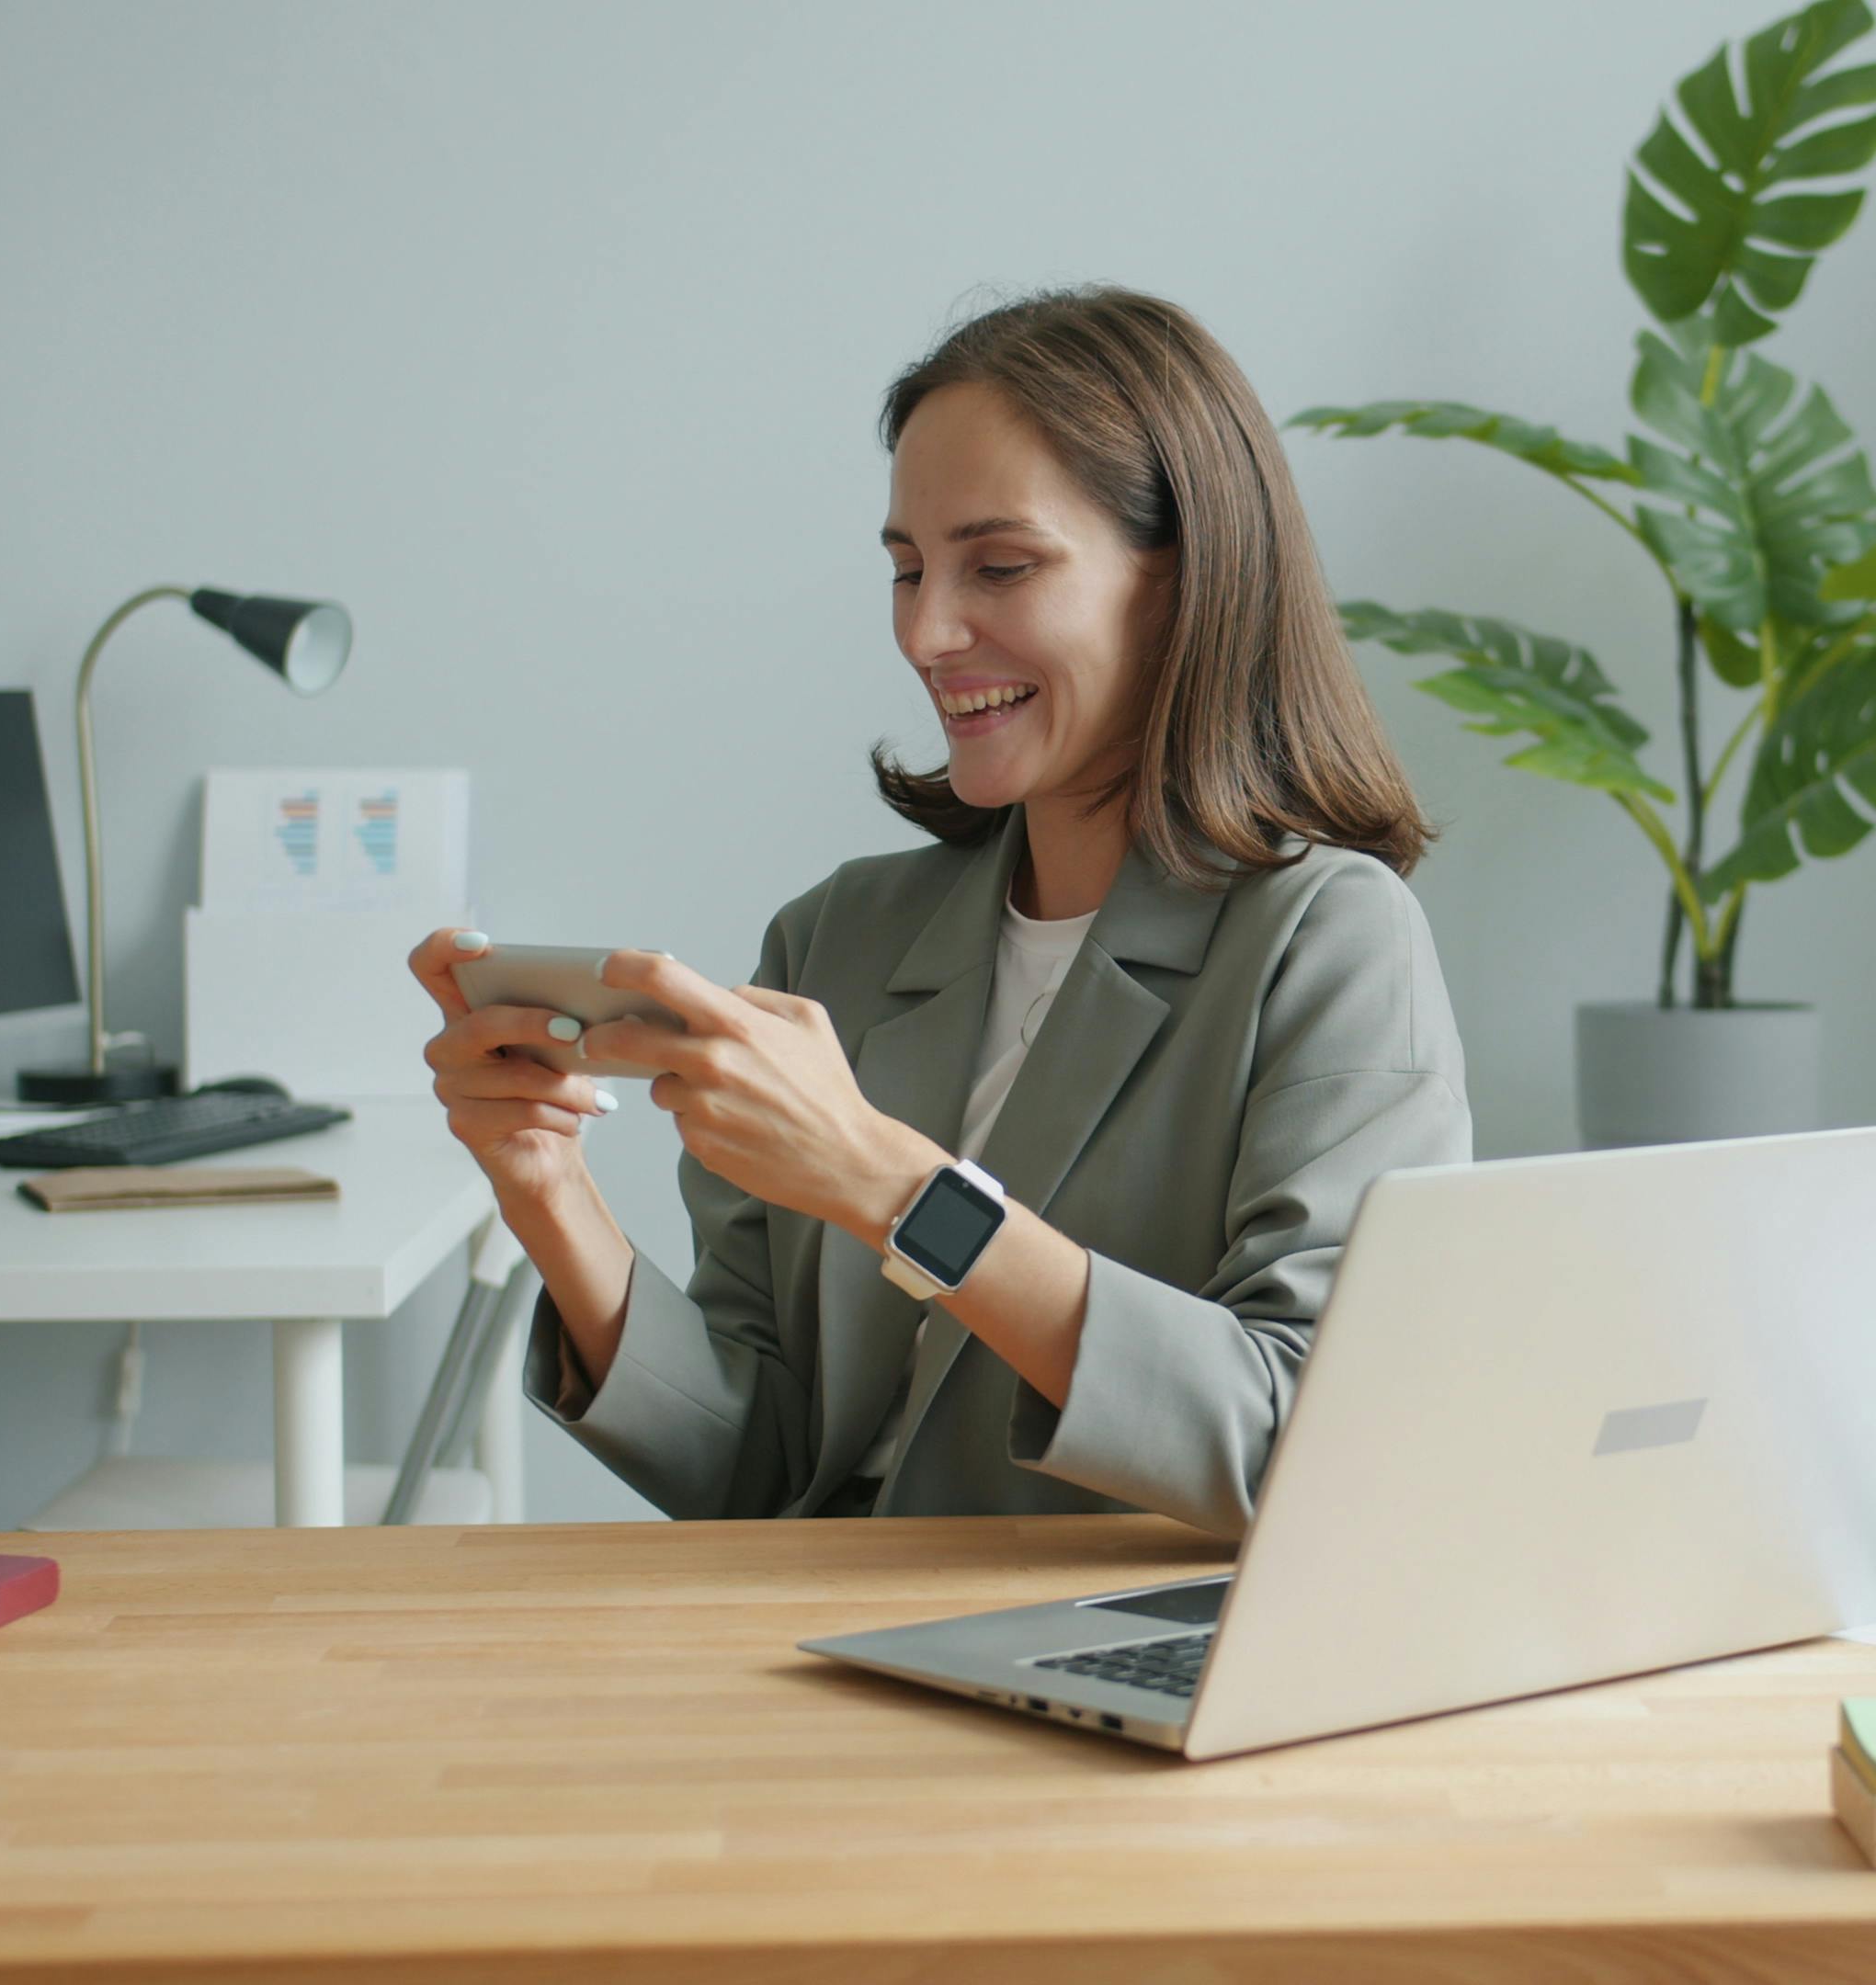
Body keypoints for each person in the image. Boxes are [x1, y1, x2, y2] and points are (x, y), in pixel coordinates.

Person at [407, 288, 1469, 1537]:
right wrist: (548, 1190)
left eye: (999, 567)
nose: (927, 629)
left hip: (1089, 1658)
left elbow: (1308, 1439)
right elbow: (758, 1468)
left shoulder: (1326, 943)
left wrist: (897, 1188)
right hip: (805, 1653)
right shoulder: (837, 941)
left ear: (1183, 580)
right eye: (908, 570)